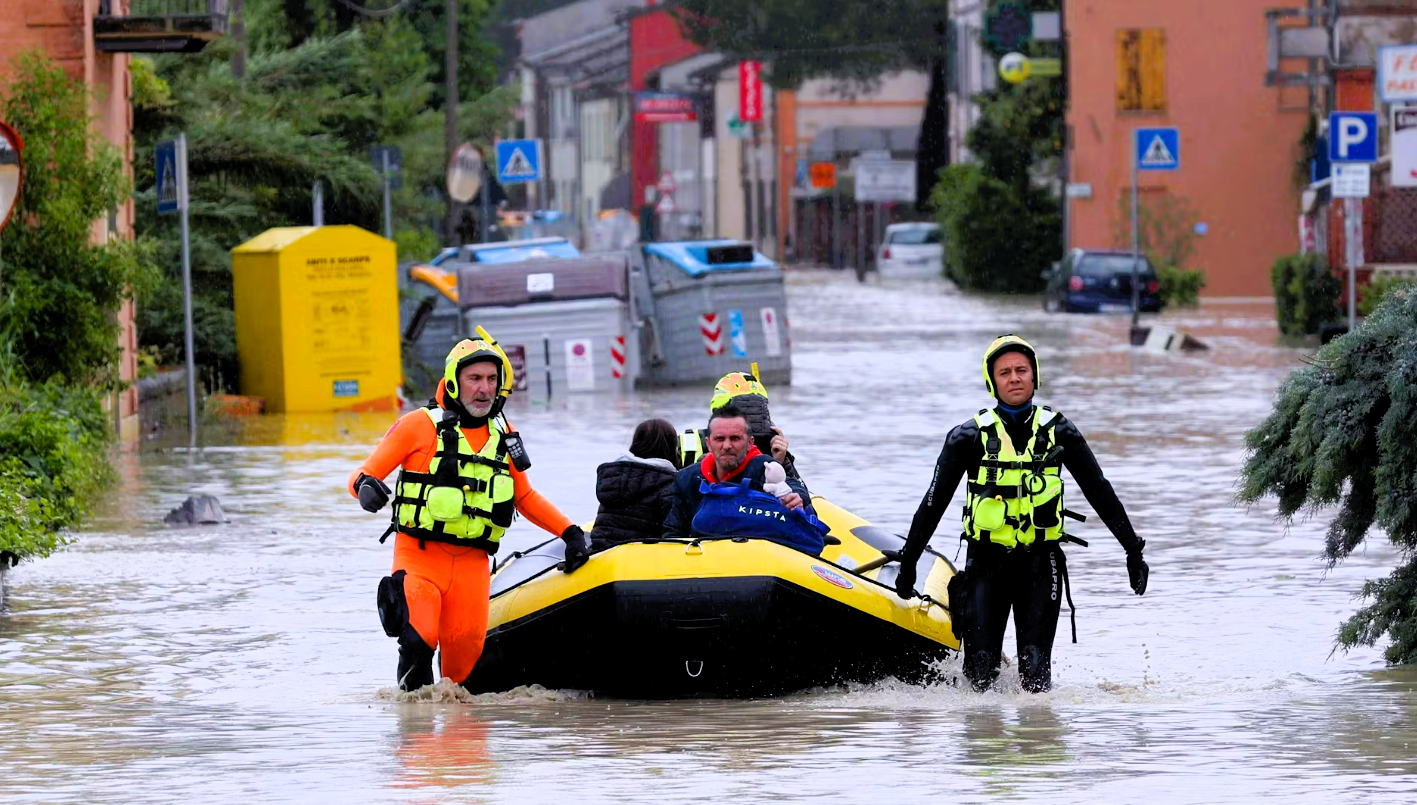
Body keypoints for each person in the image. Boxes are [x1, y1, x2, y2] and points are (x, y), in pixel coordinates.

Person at [894, 334, 1149, 693]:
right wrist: (908, 564)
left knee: (1035, 675)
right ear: (991, 381)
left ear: (1034, 377)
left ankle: (1037, 742)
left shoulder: (1060, 431)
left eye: (1022, 370)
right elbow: (933, 504)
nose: (1014, 378)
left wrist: (1132, 550)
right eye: (1005, 372)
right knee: (980, 674)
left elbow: (1099, 491)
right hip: (985, 566)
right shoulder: (965, 438)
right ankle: (985, 743)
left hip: (1040, 566)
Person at [348, 330, 591, 692]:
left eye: (491, 379)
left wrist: (570, 533)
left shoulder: (504, 433)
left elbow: (524, 497)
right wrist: (367, 489)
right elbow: (361, 475)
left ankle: (460, 747)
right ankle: (414, 739)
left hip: (473, 568)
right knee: (418, 640)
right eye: (474, 378)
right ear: (453, 382)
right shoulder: (417, 426)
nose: (484, 388)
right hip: (419, 560)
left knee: (461, 677)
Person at [663, 402, 811, 541]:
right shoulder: (686, 478)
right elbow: (674, 532)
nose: (727, 446)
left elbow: (792, 485)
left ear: (749, 443)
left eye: (735, 438)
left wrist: (798, 499)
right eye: (720, 439)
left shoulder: (764, 467)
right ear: (708, 444)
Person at [679, 369, 801, 481]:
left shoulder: (772, 446)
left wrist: (781, 462)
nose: (727, 446)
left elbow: (800, 495)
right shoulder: (688, 444)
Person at [590, 418, 681, 549]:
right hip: (641, 560)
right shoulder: (670, 485)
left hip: (601, 554)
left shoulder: (613, 478)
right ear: (672, 448)